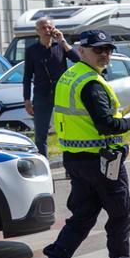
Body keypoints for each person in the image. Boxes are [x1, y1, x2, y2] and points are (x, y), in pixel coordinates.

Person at [36, 29, 130, 258]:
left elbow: (89, 120)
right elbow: (105, 124)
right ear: (82, 50)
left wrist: (122, 115)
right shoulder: (91, 83)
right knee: (120, 216)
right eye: (98, 49)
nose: (104, 54)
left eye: (108, 50)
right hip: (102, 162)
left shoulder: (71, 75)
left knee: (82, 218)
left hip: (77, 161)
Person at [23, 18, 81, 155]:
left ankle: (71, 165)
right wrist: (27, 100)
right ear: (38, 31)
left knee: (68, 130)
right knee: (41, 134)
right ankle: (44, 168)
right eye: (43, 28)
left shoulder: (60, 46)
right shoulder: (32, 51)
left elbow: (78, 59)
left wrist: (63, 41)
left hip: (62, 93)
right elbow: (27, 76)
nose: (47, 30)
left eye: (49, 27)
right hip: (41, 95)